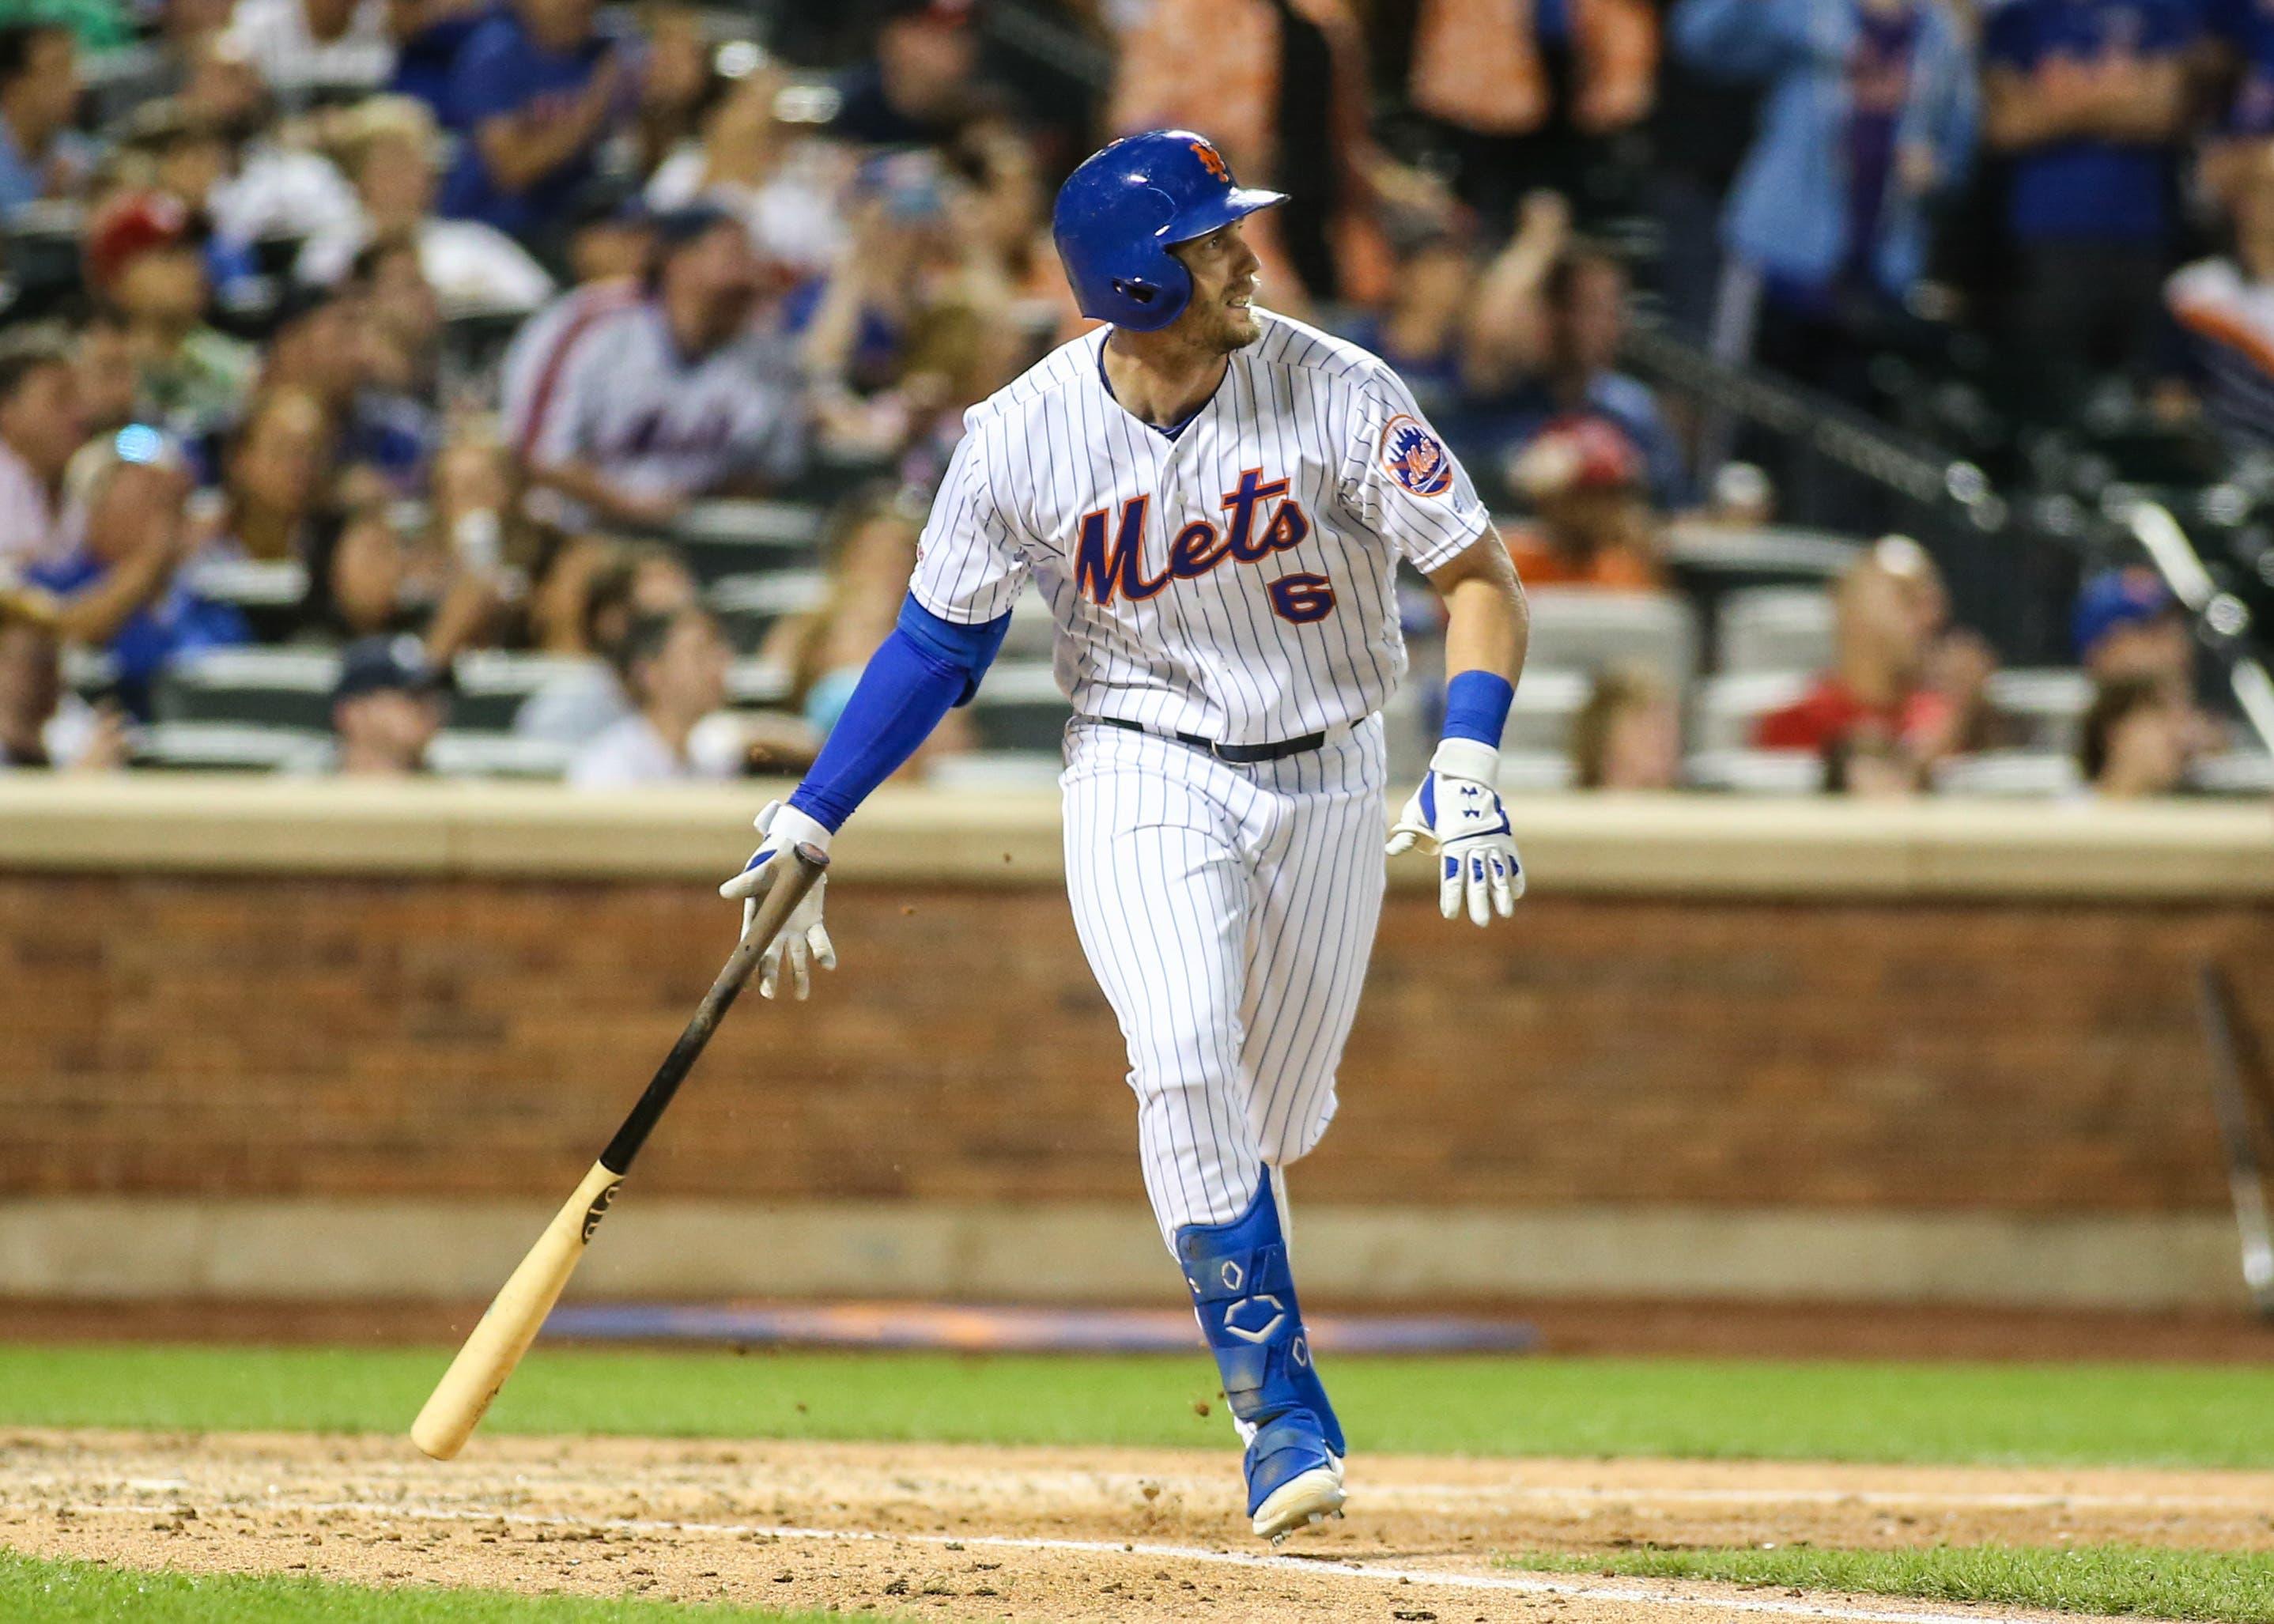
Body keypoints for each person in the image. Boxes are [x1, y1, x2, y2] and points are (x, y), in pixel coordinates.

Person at [716, 130, 1529, 1542]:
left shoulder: (1338, 389)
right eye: (1212, 241)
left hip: (1332, 769)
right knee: (1179, 1051)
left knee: (1272, 1115)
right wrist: (813, 807)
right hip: (1140, 758)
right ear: (1138, 285)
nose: (1244, 255)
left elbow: (1479, 576)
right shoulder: (1018, 435)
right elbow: (935, 642)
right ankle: (1277, 1407)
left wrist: (1467, 750)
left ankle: (1252, 1288)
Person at [507, 206, 806, 535]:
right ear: (676, 261)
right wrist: (626, 503)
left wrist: (700, 511)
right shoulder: (592, 324)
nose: (749, 271)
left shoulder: (765, 349)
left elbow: (771, 469)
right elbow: (536, 451)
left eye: (752, 256)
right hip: (576, 530)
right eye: (733, 254)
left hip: (700, 540)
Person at [1982, 0, 2197, 411]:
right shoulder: (2022, 16)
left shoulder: (2160, 12)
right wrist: (2120, 93)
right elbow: (2006, 125)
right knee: (2040, 399)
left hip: (2144, 238)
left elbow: (2166, 113)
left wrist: (2060, 101)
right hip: (2046, 236)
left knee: (2142, 404)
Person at [296, 95, 555, 319]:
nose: (403, 178)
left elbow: (542, 305)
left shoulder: (473, 245)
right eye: (389, 164)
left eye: (414, 163)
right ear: (358, 179)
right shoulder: (330, 253)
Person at [1751, 534, 1985, 769]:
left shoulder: (1957, 716)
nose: (1932, 616)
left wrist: (1966, 718)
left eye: (1933, 601)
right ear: (1847, 607)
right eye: (1908, 596)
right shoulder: (1794, 725)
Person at [439, 0, 636, 249]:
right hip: (489, 229)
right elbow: (511, 168)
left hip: (568, 227)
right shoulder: (495, 53)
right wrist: (594, 108)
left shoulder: (609, 50)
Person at [567, 603, 735, 787]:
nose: (717, 667)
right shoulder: (608, 766)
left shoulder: (716, 757)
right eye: (700, 654)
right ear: (650, 672)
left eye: (718, 653)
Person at [1501, 414, 1663, 587]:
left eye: (1611, 494)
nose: (1602, 509)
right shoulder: (1514, 562)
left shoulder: (1627, 566)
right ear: (1549, 501)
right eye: (1588, 495)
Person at [0, 327, 91, 570]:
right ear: (6, 411)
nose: (81, 414)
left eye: (79, 399)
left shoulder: (81, 476)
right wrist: (148, 560)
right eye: (61, 400)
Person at [0, 24, 93, 217]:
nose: (76, 85)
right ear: (13, 86)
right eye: (57, 70)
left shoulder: (80, 155)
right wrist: (47, 206)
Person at [329, 633, 444, 773]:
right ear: (353, 712)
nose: (428, 706)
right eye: (410, 696)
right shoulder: (305, 791)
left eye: (431, 694)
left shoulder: (461, 792)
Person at [2078, 672, 2194, 797]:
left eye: (2180, 720)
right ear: (2116, 730)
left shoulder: (2186, 813)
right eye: (2161, 717)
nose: (2179, 734)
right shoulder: (2069, 811)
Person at [1570, 661, 1680, 789]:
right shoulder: (1564, 807)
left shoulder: (1696, 807)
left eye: (1667, 722)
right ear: (1603, 737)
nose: (1662, 736)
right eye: (1642, 721)